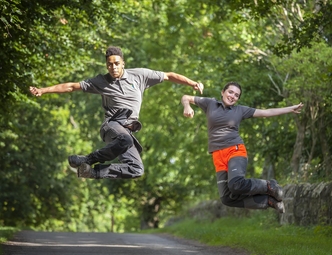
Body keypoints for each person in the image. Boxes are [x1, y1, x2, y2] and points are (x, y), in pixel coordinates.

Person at [30, 46, 204, 179]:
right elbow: (71, 86)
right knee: (125, 138)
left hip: (127, 130)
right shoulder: (101, 81)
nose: (113, 68)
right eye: (109, 64)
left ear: (123, 63)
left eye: (116, 64)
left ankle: (91, 172)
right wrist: (43, 90)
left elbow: (168, 75)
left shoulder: (140, 75)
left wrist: (192, 83)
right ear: (106, 65)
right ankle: (88, 159)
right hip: (112, 124)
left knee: (137, 169)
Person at [181, 81, 304, 213]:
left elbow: (266, 112)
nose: (233, 96)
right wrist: (187, 107)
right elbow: (185, 97)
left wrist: (290, 109)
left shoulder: (240, 110)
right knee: (227, 199)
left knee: (236, 184)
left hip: (235, 150)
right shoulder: (210, 103)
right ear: (223, 92)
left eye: (236, 95)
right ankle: (269, 201)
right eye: (230, 92)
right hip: (218, 155)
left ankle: (269, 185)